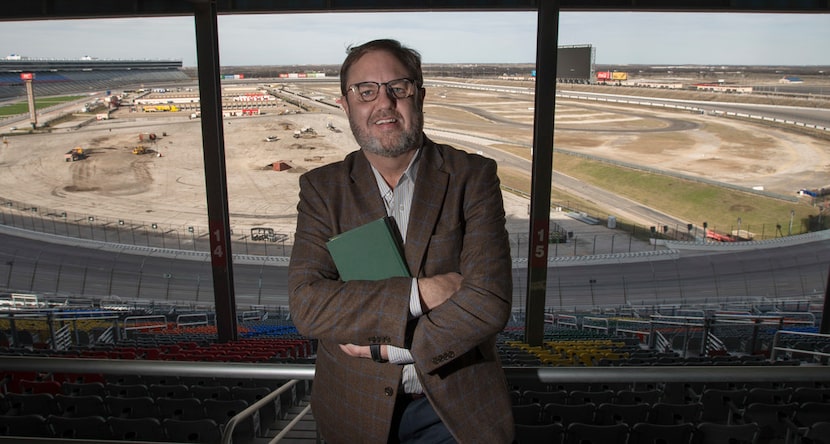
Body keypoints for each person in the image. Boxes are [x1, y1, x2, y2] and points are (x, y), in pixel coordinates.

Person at [288, 38, 514, 443]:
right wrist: (421, 292)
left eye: (399, 87)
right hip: (352, 407)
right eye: (366, 91)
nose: (384, 103)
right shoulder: (322, 189)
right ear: (346, 105)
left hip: (451, 410)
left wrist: (388, 350)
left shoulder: (472, 177)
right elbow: (308, 305)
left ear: (420, 96)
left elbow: (488, 302)